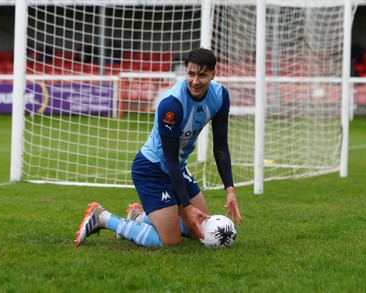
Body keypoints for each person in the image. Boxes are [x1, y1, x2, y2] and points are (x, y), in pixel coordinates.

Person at [74, 48, 242, 247]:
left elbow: (221, 146)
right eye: (191, 74)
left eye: (202, 75)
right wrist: (186, 206)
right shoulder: (171, 105)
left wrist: (230, 190)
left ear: (214, 74)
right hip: (151, 169)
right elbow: (169, 158)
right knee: (170, 241)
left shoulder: (220, 96)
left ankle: (140, 218)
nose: (195, 81)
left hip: (177, 168)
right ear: (186, 72)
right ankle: (102, 217)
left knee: (200, 230)